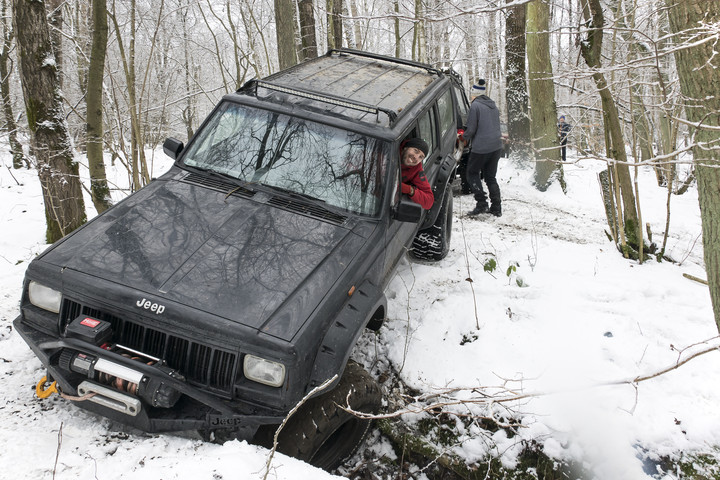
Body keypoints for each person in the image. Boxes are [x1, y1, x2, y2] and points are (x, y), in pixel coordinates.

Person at [463, 79, 504, 217]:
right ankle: (496, 207)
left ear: (475, 94)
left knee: (472, 173)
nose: (471, 97)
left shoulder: (475, 106)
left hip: (481, 147)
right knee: (490, 177)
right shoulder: (493, 106)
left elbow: (471, 128)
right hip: (496, 146)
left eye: (471, 94)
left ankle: (481, 204)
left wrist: (463, 137)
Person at [400, 138, 434, 210]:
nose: (416, 157)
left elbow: (429, 201)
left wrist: (410, 190)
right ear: (406, 147)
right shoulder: (388, 152)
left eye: (420, 157)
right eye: (415, 151)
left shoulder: (416, 169)